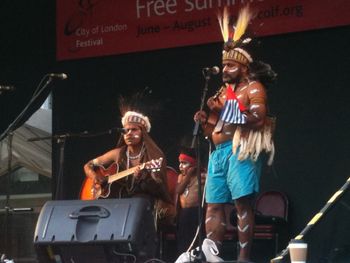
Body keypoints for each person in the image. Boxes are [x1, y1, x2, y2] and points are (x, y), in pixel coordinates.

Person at [176, 6, 276, 263]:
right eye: (224, 65)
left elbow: (257, 118)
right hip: (218, 153)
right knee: (214, 204)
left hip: (240, 150)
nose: (225, 69)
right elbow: (215, 130)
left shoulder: (254, 88)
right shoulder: (222, 91)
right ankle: (213, 254)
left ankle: (243, 258)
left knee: (242, 204)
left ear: (243, 67)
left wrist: (225, 108)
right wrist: (205, 121)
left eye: (231, 65)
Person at [83, 109, 173, 226]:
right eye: (126, 130)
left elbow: (158, 186)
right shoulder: (118, 153)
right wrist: (95, 176)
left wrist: (143, 178)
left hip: (143, 203)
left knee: (139, 200)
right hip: (119, 201)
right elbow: (88, 165)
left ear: (143, 133)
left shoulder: (154, 156)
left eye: (134, 129)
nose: (129, 133)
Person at [175, 146, 206, 255]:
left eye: (184, 163)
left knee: (197, 240)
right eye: (180, 163)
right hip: (184, 213)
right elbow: (179, 190)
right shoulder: (181, 177)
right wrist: (188, 175)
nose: (180, 166)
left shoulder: (202, 176)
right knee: (184, 240)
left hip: (197, 212)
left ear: (194, 165)